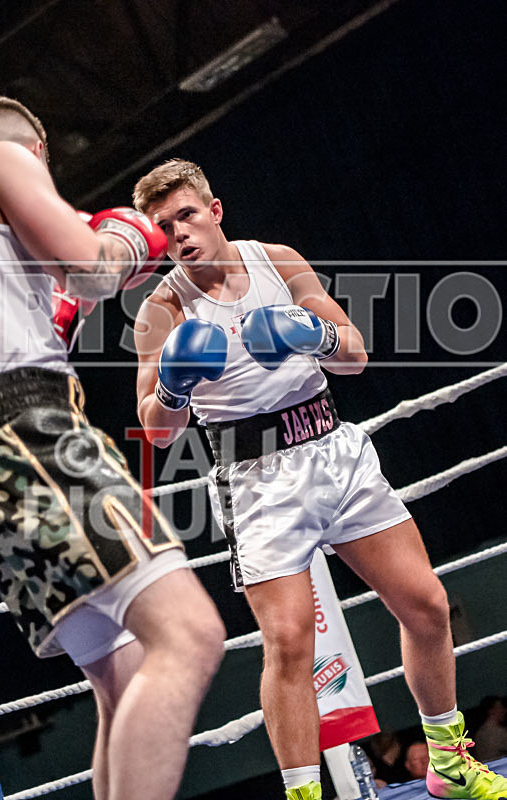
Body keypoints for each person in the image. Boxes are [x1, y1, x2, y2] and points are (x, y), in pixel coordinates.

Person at [131, 158, 507, 800]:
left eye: (187, 215)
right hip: (256, 478)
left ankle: (447, 762)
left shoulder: (278, 261)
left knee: (426, 606)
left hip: (334, 449)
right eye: (164, 227)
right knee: (288, 642)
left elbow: (356, 355)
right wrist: (173, 383)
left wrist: (312, 335)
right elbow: (155, 428)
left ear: (215, 211)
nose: (180, 233)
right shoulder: (162, 311)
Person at [0, 96, 225, 800]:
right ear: (38, 152)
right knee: (191, 634)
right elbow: (91, 268)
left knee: (126, 672)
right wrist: (134, 236)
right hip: (32, 434)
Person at [474, 697, 507, 762]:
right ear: (491, 711)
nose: (504, 710)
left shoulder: (480, 731)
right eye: (500, 707)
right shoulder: (496, 732)